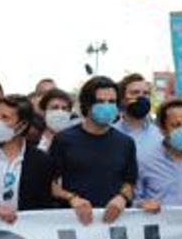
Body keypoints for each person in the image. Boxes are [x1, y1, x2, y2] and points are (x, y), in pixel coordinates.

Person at [51, 76, 138, 225]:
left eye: (112, 102)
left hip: (113, 223)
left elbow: (130, 182)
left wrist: (122, 198)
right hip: (74, 224)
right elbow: (51, 184)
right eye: (100, 102)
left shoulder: (126, 142)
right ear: (87, 104)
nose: (107, 106)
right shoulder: (64, 140)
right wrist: (72, 198)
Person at [0, 94, 56, 222]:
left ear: (22, 125)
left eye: (4, 117)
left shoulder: (41, 161)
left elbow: (45, 206)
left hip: (27, 235)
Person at [135, 99, 182, 209]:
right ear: (162, 129)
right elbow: (135, 200)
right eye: (176, 125)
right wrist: (142, 204)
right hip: (159, 223)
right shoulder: (144, 160)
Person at [114, 73, 163, 164]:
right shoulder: (110, 133)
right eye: (135, 93)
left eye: (146, 93)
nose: (141, 97)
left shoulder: (160, 135)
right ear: (122, 99)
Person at [37, 87, 76, 152]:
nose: (60, 112)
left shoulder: (75, 140)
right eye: (55, 108)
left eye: (64, 108)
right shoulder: (34, 137)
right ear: (44, 111)